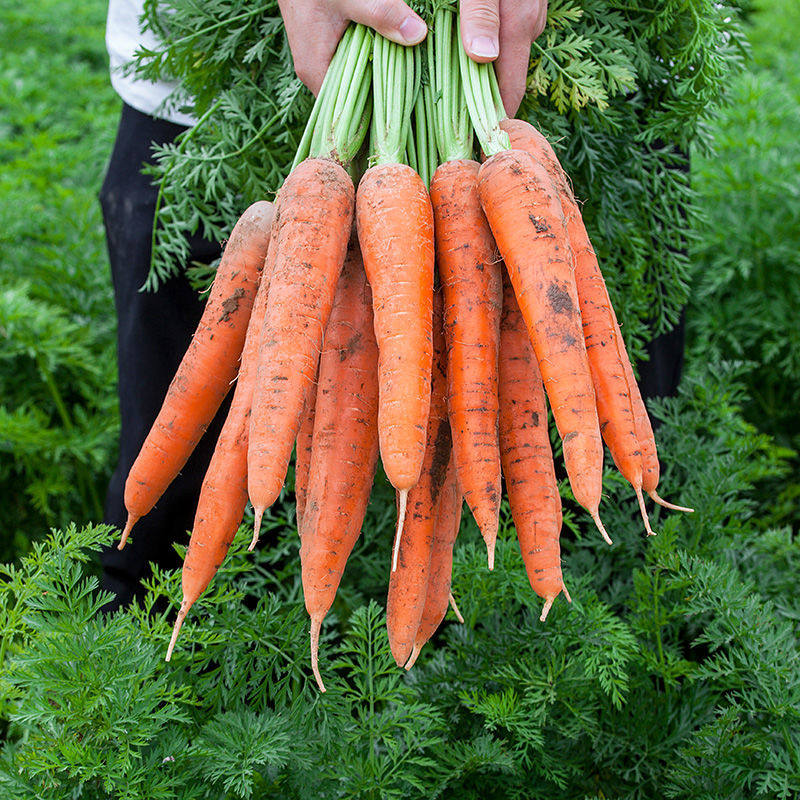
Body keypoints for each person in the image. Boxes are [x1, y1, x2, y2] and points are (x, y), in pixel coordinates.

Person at [98, 0, 550, 611]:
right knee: (174, 440)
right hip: (205, 91)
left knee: (541, 360)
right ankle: (138, 621)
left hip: (513, 70)